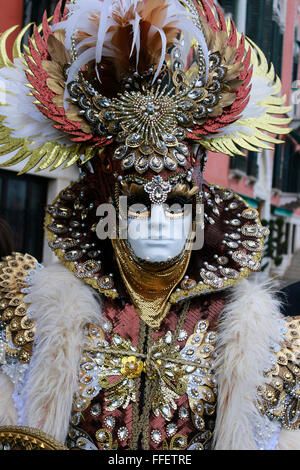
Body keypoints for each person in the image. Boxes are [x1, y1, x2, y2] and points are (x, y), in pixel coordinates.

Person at [0, 0, 298, 451]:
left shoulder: (258, 338)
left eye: (176, 206)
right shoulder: (33, 318)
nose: (159, 222)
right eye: (138, 205)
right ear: (108, 207)